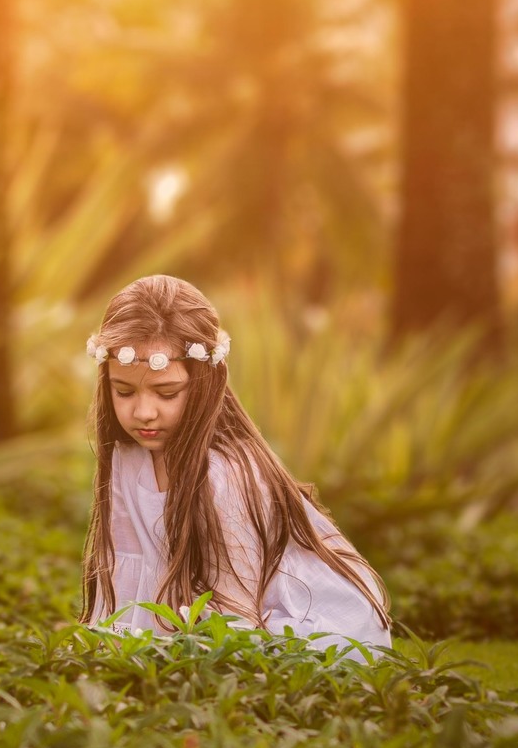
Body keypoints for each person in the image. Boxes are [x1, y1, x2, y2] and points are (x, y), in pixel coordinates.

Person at [79, 275, 393, 662]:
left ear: (204, 383)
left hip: (311, 628)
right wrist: (111, 649)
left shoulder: (223, 473)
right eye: (124, 391)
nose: (143, 412)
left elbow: (236, 616)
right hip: (223, 624)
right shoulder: (129, 457)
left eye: (166, 392)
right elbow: (127, 575)